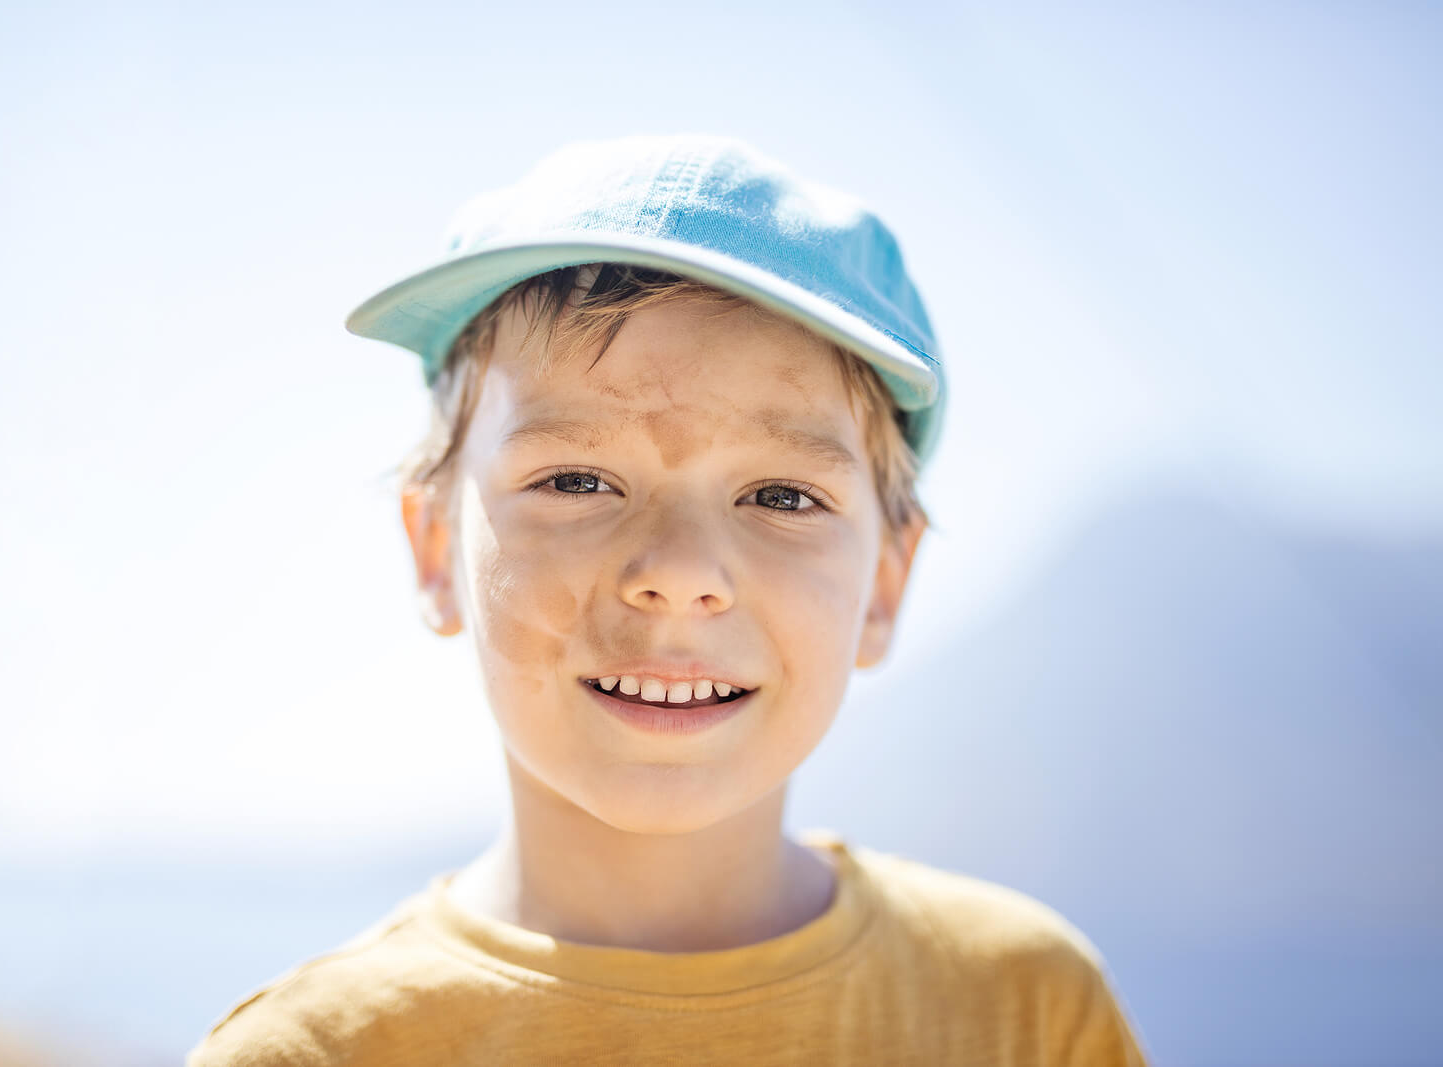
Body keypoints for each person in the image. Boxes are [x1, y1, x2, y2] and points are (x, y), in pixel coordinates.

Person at [187, 134, 1148, 1065]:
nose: (681, 571)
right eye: (574, 480)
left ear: (885, 586)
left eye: (781, 497)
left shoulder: (1025, 1008)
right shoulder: (313, 1054)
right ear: (437, 546)